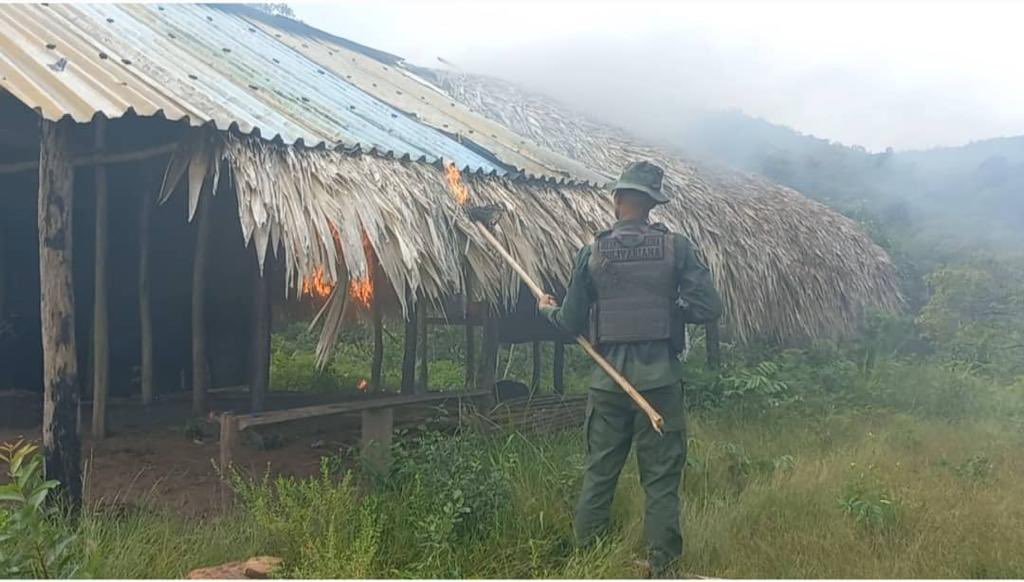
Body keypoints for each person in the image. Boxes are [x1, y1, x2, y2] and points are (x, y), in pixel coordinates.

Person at [538, 160, 722, 577]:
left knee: (599, 475)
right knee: (660, 483)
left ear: (618, 200)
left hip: (607, 385)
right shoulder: (678, 248)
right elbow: (709, 307)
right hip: (659, 386)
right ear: (653, 204)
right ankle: (663, 569)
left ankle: (588, 561)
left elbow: (569, 322)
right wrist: (671, 310)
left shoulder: (593, 252)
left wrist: (547, 310)